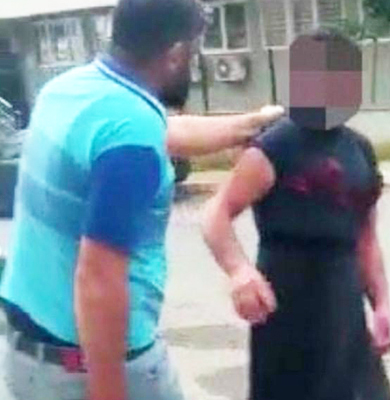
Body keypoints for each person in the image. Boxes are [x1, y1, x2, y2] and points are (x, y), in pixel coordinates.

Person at [0, 0, 283, 399]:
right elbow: (98, 279)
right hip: (88, 370)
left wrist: (252, 125)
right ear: (176, 53)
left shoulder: (69, 90)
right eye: (194, 51)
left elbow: (164, 130)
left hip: (28, 355)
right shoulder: (132, 136)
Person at [203, 30, 390, 400]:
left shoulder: (359, 149)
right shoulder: (276, 146)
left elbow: (366, 237)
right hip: (289, 317)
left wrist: (382, 305)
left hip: (345, 314)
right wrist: (239, 270)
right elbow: (216, 213)